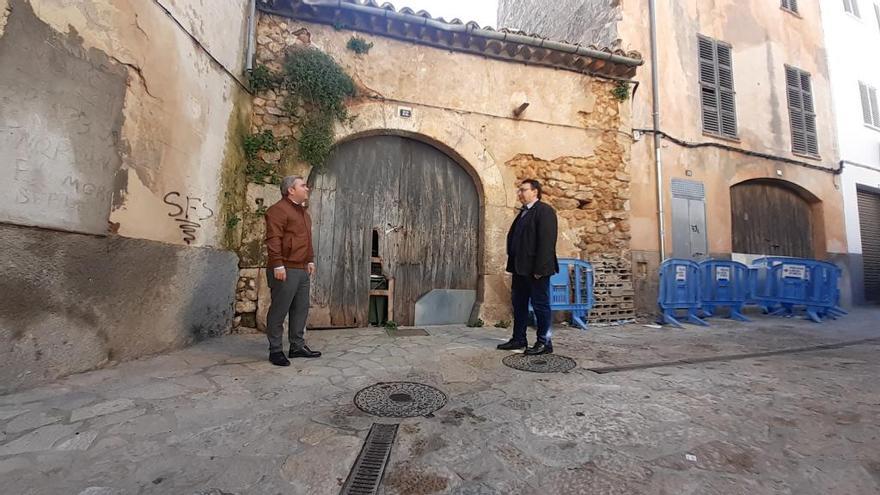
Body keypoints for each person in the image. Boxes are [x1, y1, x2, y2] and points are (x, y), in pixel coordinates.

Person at [264, 175, 321, 366]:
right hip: (285, 268)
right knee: (279, 310)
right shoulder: (277, 210)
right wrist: (277, 264)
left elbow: (307, 240)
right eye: (303, 185)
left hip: (301, 268)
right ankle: (275, 350)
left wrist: (310, 260)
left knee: (300, 309)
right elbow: (273, 239)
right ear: (290, 190)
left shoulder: (304, 214)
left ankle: (297, 346)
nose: (307, 188)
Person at [497, 179, 559, 355]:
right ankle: (519, 339)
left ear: (535, 192)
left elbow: (547, 243)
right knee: (519, 304)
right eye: (519, 190)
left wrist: (540, 269)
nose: (520, 193)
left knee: (541, 306)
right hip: (520, 269)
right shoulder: (523, 213)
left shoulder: (544, 211)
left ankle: (545, 342)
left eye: (523, 190)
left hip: (536, 270)